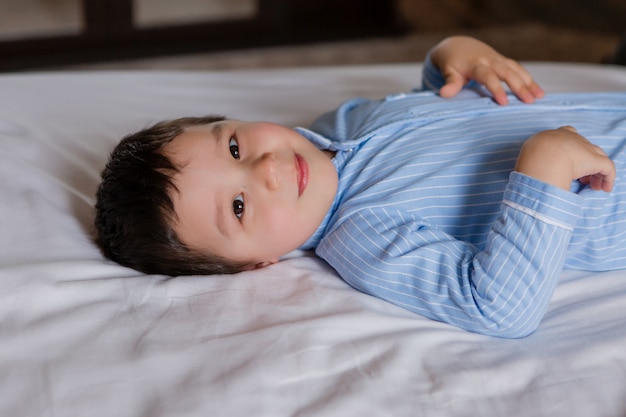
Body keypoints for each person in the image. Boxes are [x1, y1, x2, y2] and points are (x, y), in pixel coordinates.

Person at [95, 36, 626, 338]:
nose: (267, 169)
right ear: (256, 263)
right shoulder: (364, 236)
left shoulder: (342, 124)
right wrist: (544, 169)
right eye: (238, 206)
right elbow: (498, 308)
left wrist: (448, 57)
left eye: (234, 146)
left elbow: (425, 116)